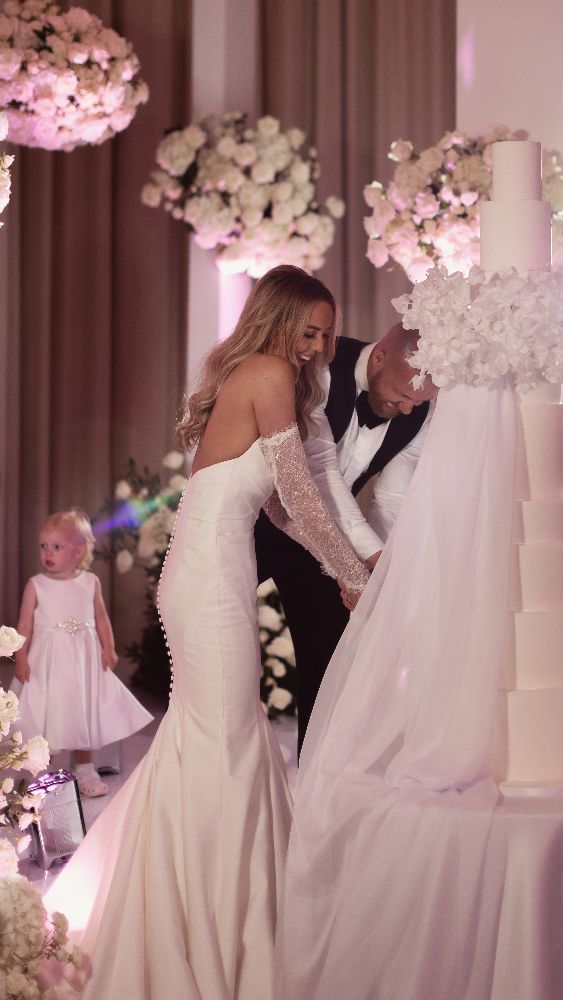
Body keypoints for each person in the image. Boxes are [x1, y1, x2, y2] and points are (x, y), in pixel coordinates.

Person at [44, 265, 371, 1000]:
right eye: (309, 331)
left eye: (326, 334)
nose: (319, 348)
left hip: (214, 573)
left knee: (218, 737)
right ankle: (205, 934)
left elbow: (285, 510)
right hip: (208, 582)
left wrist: (351, 567)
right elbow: (296, 491)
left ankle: (212, 920)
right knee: (222, 740)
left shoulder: (267, 374)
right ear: (278, 321)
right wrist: (352, 573)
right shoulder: (265, 371)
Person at [255, 321, 436, 753]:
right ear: (378, 359)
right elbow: (321, 476)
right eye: (404, 394)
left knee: (329, 659)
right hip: (262, 518)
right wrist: (369, 561)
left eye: (419, 401)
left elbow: (390, 500)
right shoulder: (320, 367)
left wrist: (387, 568)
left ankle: (314, 782)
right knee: (221, 637)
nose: (409, 408)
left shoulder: (421, 412)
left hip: (326, 543)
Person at [11, 509, 153, 798]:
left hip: (83, 662)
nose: (47, 553)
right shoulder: (37, 585)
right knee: (47, 714)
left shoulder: (90, 583)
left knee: (81, 712)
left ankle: (86, 770)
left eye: (56, 546)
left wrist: (109, 648)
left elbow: (101, 618)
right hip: (48, 664)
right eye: (43, 545)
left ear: (78, 551)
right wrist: (21, 658)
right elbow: (23, 625)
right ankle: (45, 775)